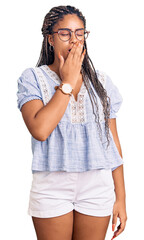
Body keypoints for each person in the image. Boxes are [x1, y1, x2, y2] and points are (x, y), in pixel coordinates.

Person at [16, 5, 127, 240]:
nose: (74, 40)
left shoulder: (102, 82)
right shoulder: (32, 78)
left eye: (80, 33)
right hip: (51, 186)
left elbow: (113, 143)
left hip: (97, 186)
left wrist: (121, 198)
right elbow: (41, 130)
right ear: (50, 39)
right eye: (65, 33)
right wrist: (67, 81)